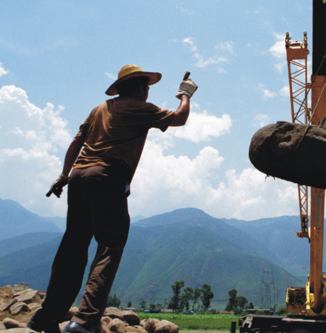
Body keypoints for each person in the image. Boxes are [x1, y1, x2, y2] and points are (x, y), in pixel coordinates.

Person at [27, 65, 198, 333]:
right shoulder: (138, 108)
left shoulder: (100, 109)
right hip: (107, 177)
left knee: (73, 246)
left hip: (78, 177)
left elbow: (77, 142)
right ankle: (84, 321)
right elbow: (179, 118)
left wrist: (63, 175)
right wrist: (186, 94)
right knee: (108, 248)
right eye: (147, 87)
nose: (148, 91)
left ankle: (47, 315)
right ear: (140, 88)